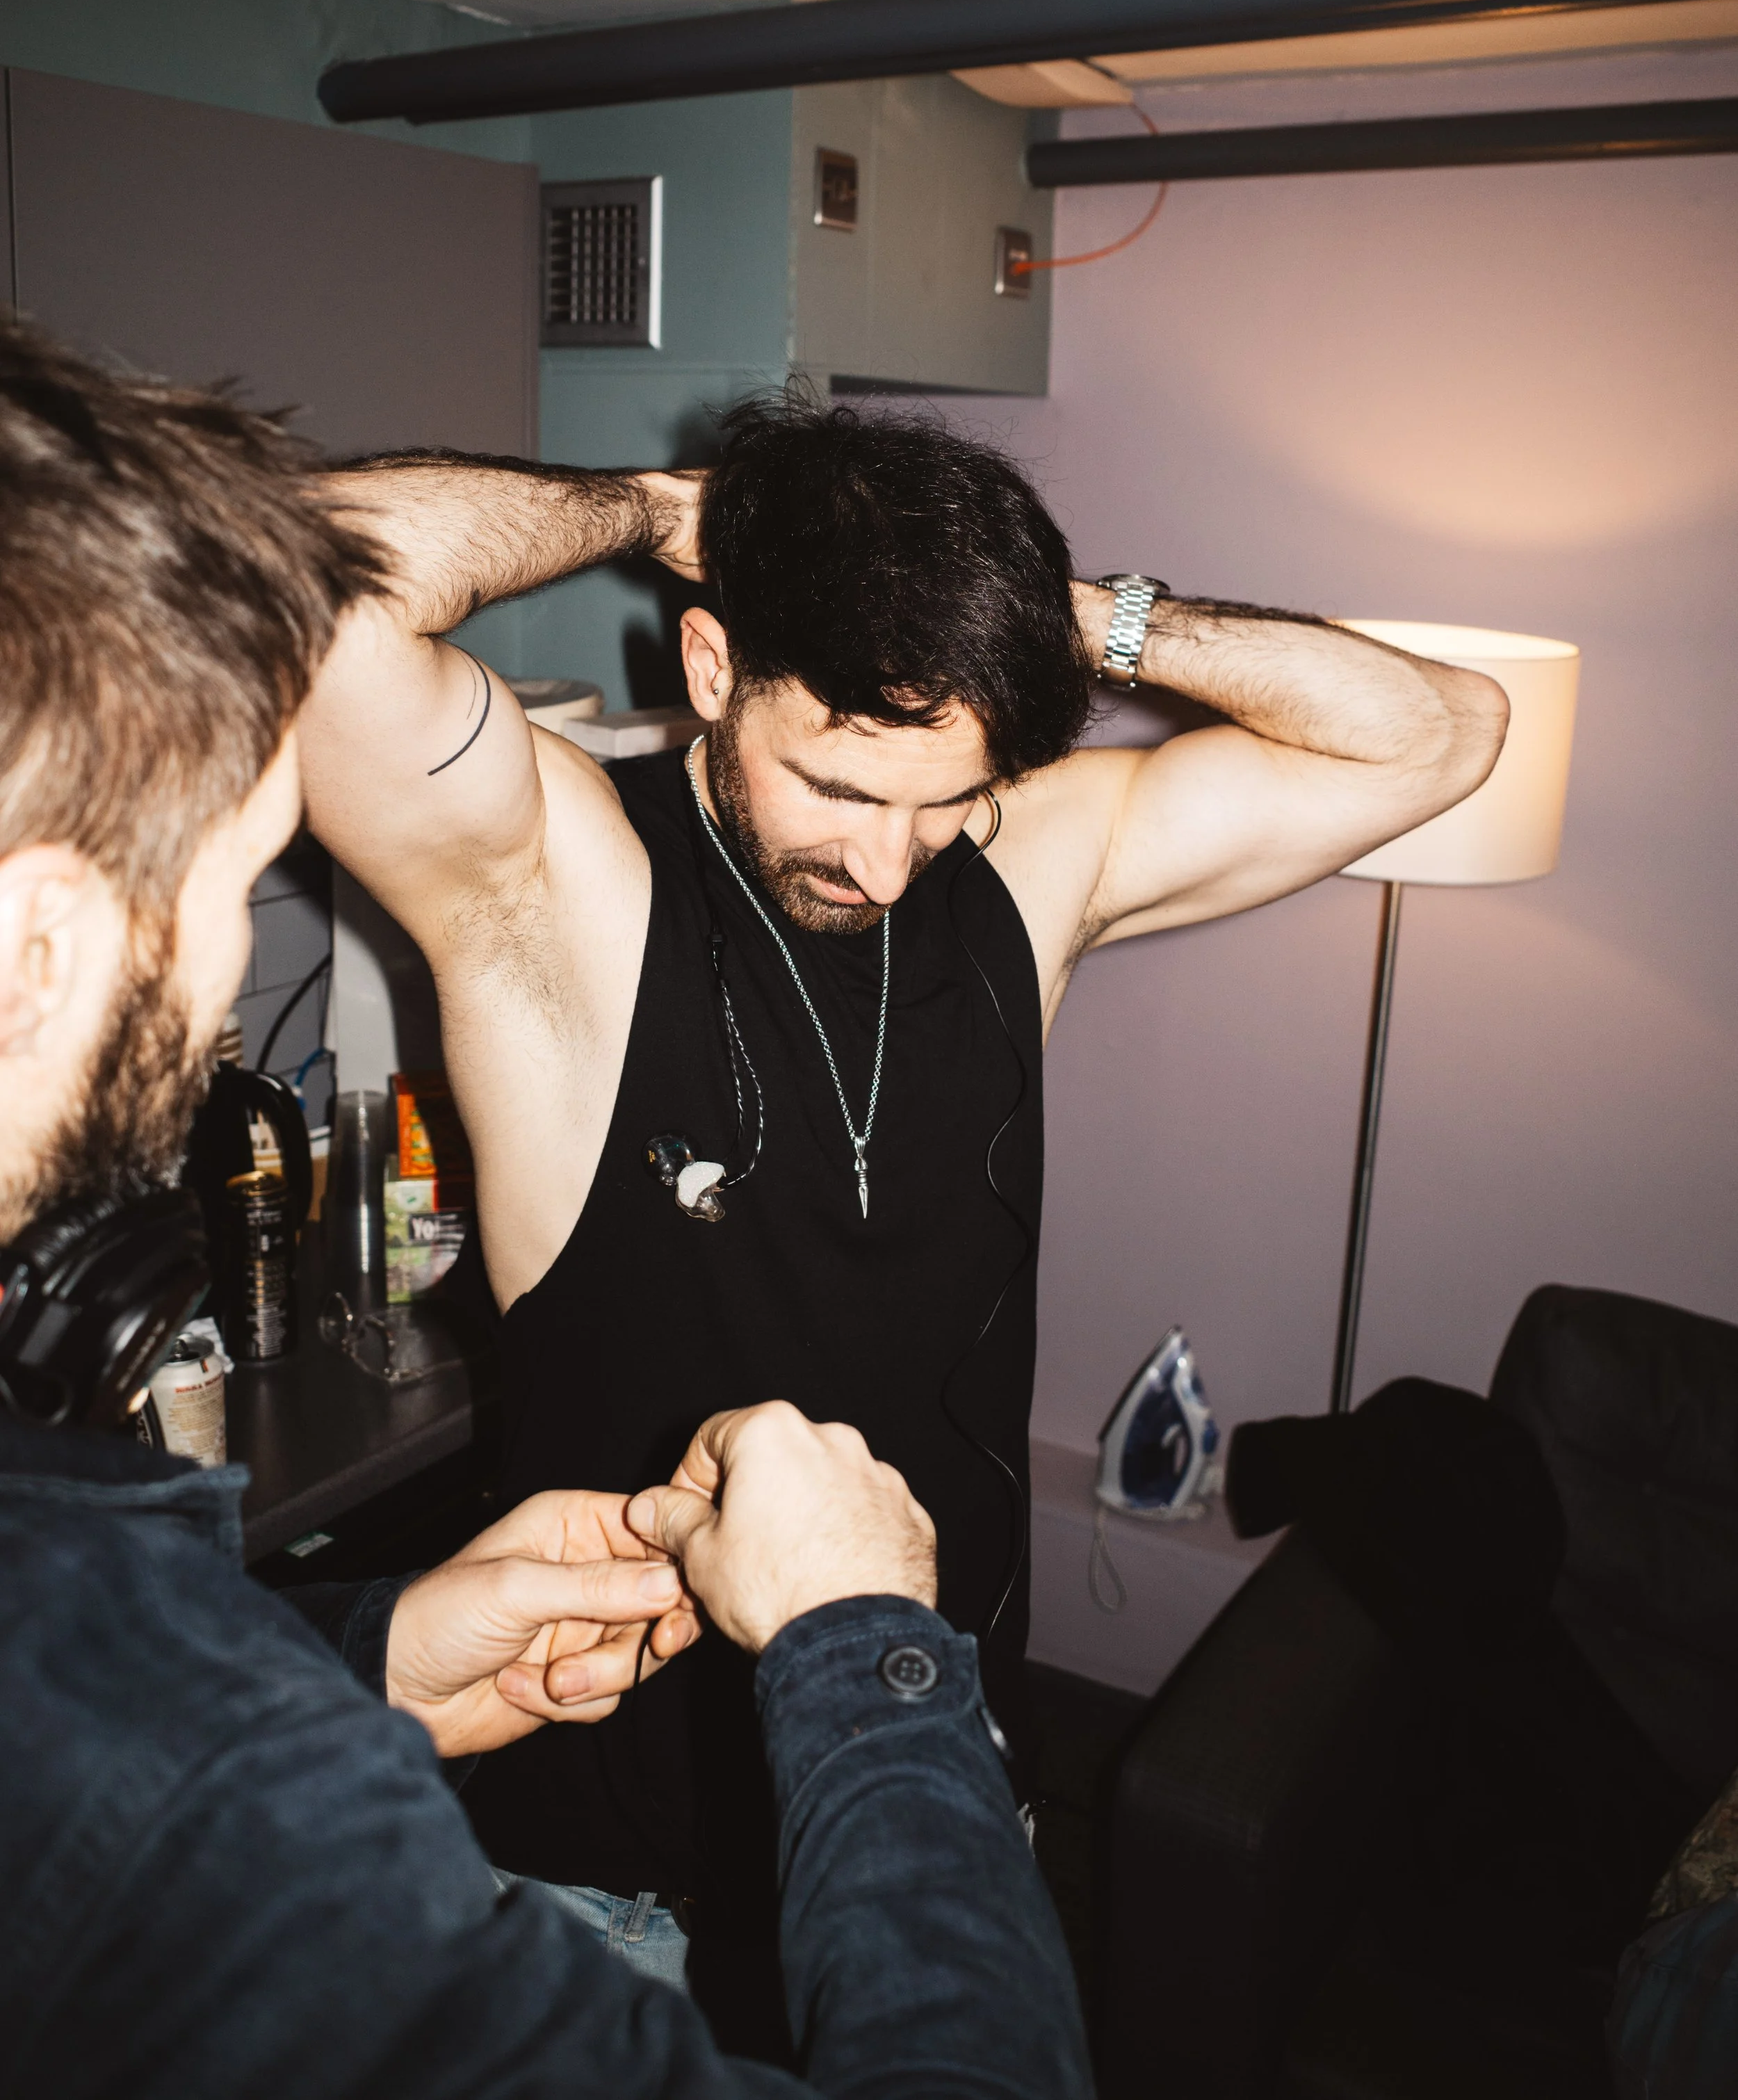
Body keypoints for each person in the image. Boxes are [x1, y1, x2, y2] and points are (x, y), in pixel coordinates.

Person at [298, 394, 1509, 2033]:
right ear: (714, 668)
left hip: (930, 1787)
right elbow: (298, 578)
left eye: (946, 797)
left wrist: (1032, 620)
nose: (890, 863)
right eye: (840, 787)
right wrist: (660, 508)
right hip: (620, 1893)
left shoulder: (1013, 867)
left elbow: (1439, 732)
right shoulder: (555, 878)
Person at [0, 320, 1089, 2100]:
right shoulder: (213, 1797)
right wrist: (863, 1654)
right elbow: (316, 582)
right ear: (40, 949)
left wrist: (375, 1653)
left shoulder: (92, 1632)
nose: (220, 990)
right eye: (234, 873)